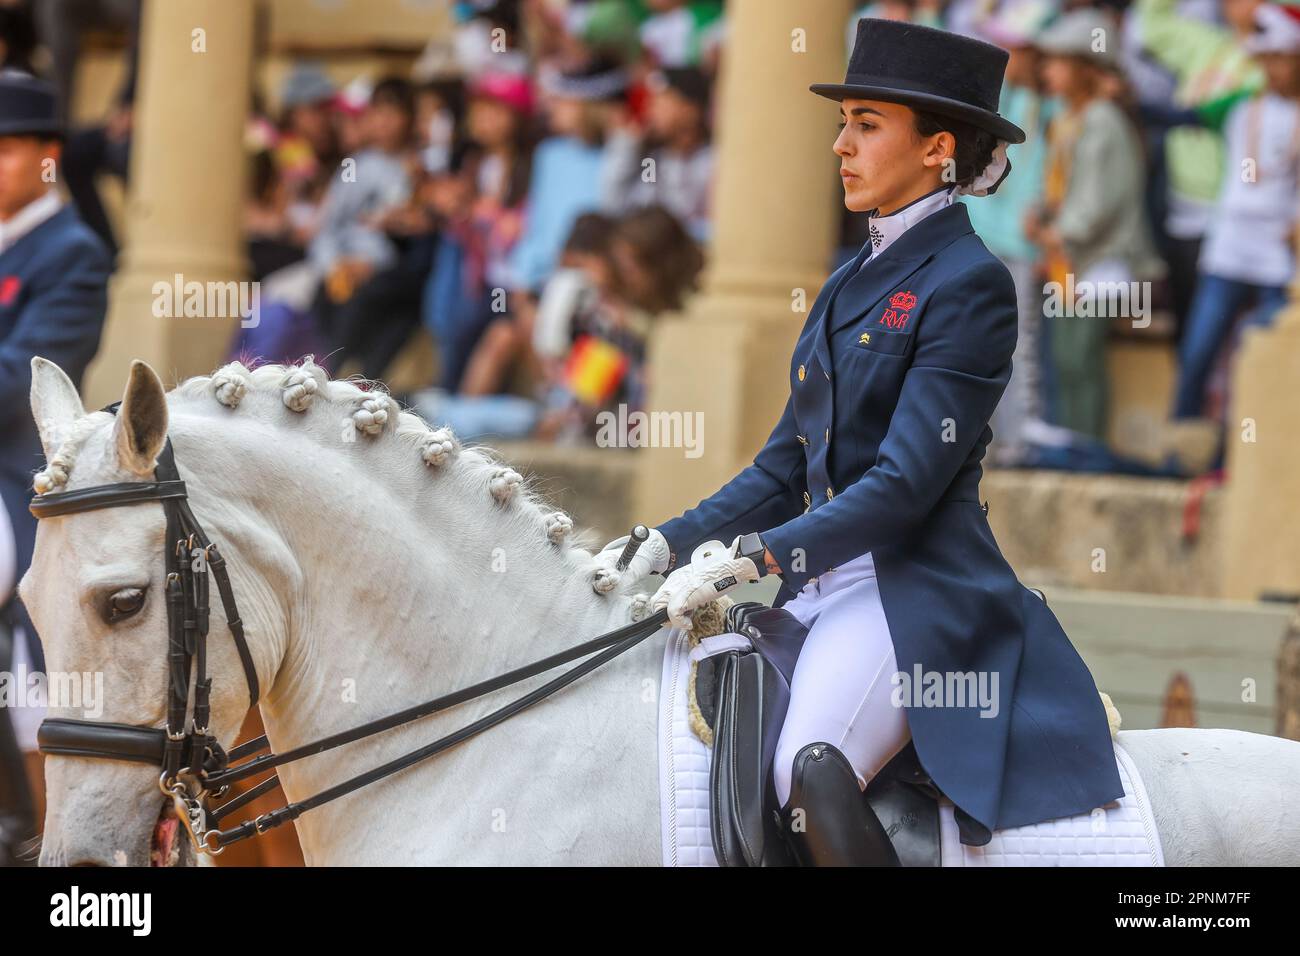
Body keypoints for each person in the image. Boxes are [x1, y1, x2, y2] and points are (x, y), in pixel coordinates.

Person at [590, 18, 1124, 866]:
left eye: (866, 124)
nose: (840, 145)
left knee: (811, 764)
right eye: (845, 123)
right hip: (823, 585)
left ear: (936, 147)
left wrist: (757, 558)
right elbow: (782, 467)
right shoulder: (848, 279)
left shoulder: (970, 283)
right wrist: (665, 540)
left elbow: (904, 486)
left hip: (912, 592)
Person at [0, 73, 110, 855]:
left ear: (48, 158)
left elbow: (21, 381)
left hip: (14, 484)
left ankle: (39, 829)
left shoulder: (74, 252)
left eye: (4, 150)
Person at [1171, 3, 1300, 421]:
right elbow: (1182, 112)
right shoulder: (1241, 105)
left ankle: (1242, 453)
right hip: (1229, 243)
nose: (1272, 68)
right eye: (1265, 59)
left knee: (1264, 354)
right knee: (1198, 351)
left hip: (1278, 252)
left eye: (1280, 58)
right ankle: (1182, 447)